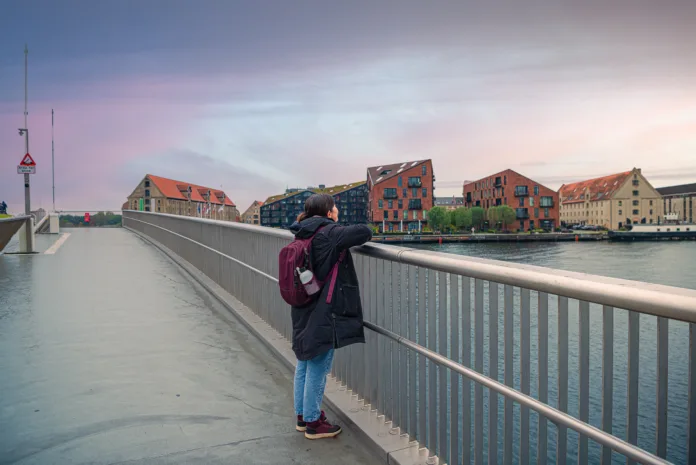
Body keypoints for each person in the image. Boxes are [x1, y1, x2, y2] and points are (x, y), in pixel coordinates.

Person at [289, 193, 372, 440]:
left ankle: (303, 416)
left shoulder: (302, 231)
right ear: (328, 213)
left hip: (303, 304)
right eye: (335, 208)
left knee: (304, 360)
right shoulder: (329, 233)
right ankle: (314, 422)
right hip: (323, 308)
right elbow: (364, 232)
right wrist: (337, 225)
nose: (337, 211)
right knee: (318, 364)